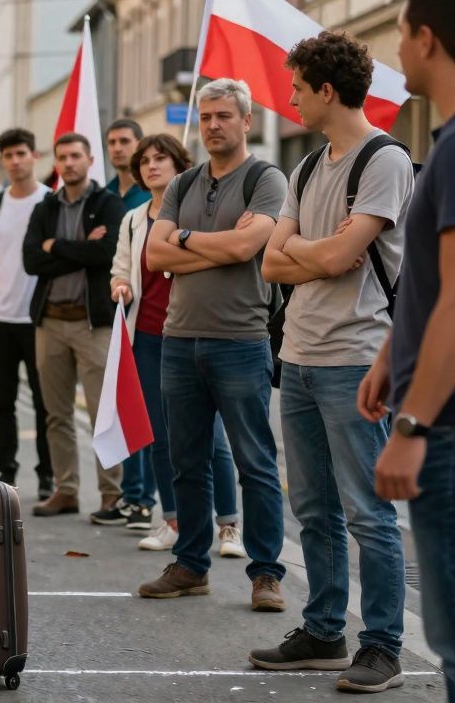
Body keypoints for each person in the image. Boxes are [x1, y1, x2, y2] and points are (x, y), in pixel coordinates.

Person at [250, 31, 415, 694]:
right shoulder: (307, 167)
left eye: (296, 88)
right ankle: (323, 631)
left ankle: (382, 647)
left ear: (326, 90)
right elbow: (271, 260)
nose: (289, 98)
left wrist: (309, 251)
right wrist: (315, 251)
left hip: (356, 358)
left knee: (369, 513)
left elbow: (332, 259)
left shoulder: (385, 161)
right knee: (314, 509)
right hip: (299, 354)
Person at [361, 0, 455, 700]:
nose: (397, 49)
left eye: (401, 33)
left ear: (427, 38)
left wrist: (412, 425)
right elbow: (444, 283)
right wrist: (389, 354)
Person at [138, 78, 289, 612]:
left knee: (255, 462)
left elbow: (253, 244)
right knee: (186, 460)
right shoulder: (181, 185)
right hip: (178, 339)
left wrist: (184, 241)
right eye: (206, 117)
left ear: (247, 121)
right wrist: (216, 248)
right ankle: (191, 565)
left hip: (241, 339)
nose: (213, 126)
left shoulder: (265, 178)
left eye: (224, 116)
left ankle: (267, 573)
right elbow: (155, 257)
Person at [108, 134, 243, 550]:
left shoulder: (195, 210)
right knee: (161, 436)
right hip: (147, 337)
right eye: (144, 161)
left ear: (179, 164)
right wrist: (120, 285)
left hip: (194, 331)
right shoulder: (133, 219)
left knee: (212, 436)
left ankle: (228, 525)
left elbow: (217, 259)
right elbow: (122, 267)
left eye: (160, 159)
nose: (151, 166)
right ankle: (173, 521)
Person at [21, 134, 125, 518]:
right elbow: (31, 260)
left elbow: (105, 253)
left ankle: (111, 493)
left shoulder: (107, 204)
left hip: (91, 323)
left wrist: (56, 246)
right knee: (56, 413)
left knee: (102, 413)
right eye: (62, 157)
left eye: (75, 156)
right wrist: (78, 246)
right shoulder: (45, 207)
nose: (68, 163)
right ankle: (66, 490)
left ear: (89, 159)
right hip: (50, 321)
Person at [0, 128, 54, 497]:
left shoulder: (51, 201)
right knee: (1, 402)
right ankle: (6, 472)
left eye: (21, 154)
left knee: (45, 402)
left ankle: (48, 476)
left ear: (35, 156)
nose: (15, 161)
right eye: (8, 156)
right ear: (2, 161)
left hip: (39, 319)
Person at [104, 119, 152, 212]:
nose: (117, 149)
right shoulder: (106, 193)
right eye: (112, 142)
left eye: (124, 141)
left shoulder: (154, 191)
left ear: (141, 144)